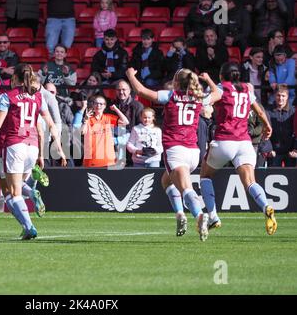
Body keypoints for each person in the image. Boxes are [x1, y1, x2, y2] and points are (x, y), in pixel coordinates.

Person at [126, 66, 222, 241]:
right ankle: (179, 214)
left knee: (186, 188)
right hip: (193, 151)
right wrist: (208, 80)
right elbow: (218, 93)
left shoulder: (170, 96)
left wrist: (131, 75)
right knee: (166, 181)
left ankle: (199, 215)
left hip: (175, 150)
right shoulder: (200, 98)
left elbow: (140, 90)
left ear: (176, 82)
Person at [0, 63, 67, 240]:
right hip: (32, 147)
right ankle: (28, 218)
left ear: (15, 78)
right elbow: (50, 124)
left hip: (14, 144)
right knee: (15, 189)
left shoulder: (6, 97)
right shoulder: (38, 97)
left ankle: (30, 226)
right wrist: (59, 148)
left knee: (13, 192)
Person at [199, 62, 277, 236]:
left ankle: (213, 217)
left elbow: (206, 102)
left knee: (205, 176)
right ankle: (266, 206)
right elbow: (260, 112)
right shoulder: (246, 90)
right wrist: (267, 126)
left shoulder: (221, 88)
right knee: (250, 182)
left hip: (224, 141)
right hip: (244, 143)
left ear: (221, 76)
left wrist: (207, 85)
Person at [73, 95, 129, 168]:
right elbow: (81, 132)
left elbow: (125, 122)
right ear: (93, 105)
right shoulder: (88, 119)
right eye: (96, 103)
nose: (98, 105)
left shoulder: (108, 117)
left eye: (101, 104)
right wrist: (85, 120)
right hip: (91, 161)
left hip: (109, 161)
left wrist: (116, 109)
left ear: (104, 106)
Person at [266, 85, 295, 167]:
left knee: (291, 178)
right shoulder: (267, 111)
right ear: (275, 95)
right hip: (274, 152)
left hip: (290, 152)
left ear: (287, 97)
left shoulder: (293, 112)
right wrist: (269, 149)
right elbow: (265, 132)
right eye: (278, 95)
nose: (280, 98)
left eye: (283, 96)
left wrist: (295, 149)